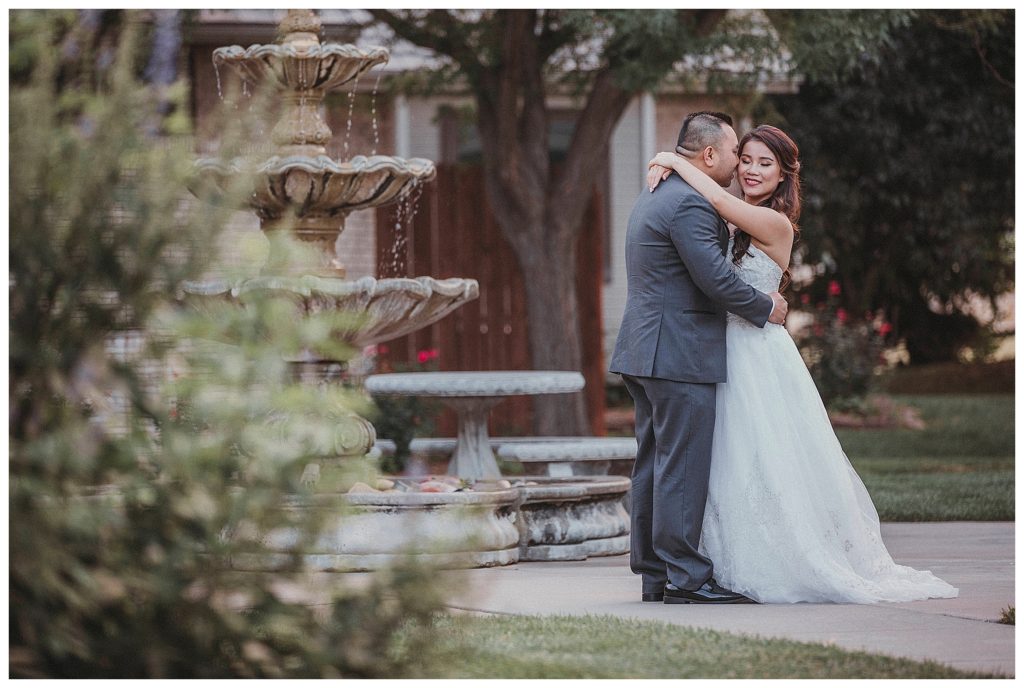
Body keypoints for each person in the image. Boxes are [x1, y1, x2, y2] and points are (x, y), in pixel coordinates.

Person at [644, 124, 957, 603]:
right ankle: (709, 562)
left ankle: (766, 559)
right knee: (722, 461)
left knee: (763, 457)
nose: (751, 170)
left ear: (784, 174)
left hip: (755, 354)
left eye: (764, 163)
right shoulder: (732, 217)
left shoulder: (774, 224)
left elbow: (720, 202)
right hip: (715, 349)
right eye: (745, 159)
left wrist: (671, 159)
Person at [609, 112, 788, 605]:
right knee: (681, 467)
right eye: (735, 154)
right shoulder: (689, 202)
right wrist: (765, 307)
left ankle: (654, 574)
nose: (738, 164)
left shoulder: (659, 192)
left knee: (654, 464)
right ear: (709, 155)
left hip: (647, 348)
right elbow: (714, 277)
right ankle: (687, 578)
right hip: (677, 351)